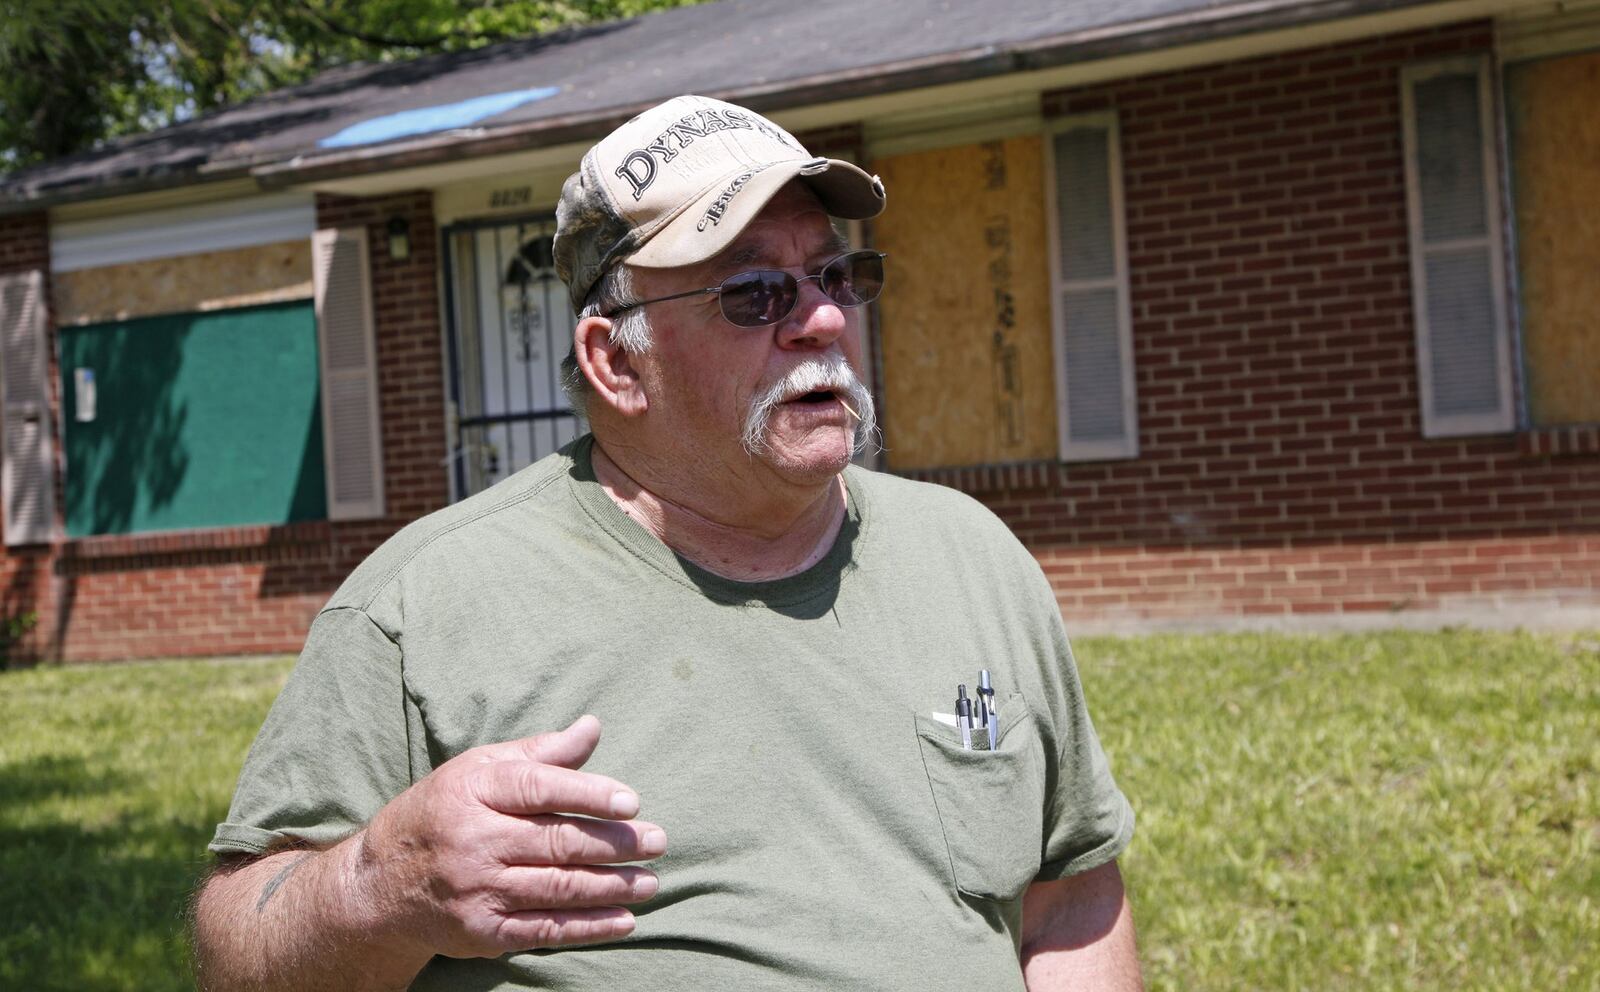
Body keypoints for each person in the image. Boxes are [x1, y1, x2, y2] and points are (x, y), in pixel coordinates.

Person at [192, 94, 1141, 991]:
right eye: (755, 293)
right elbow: (237, 952)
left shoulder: (973, 559)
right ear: (615, 362)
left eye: (835, 275)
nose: (822, 320)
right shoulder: (423, 610)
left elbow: (1070, 893)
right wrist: (376, 888)